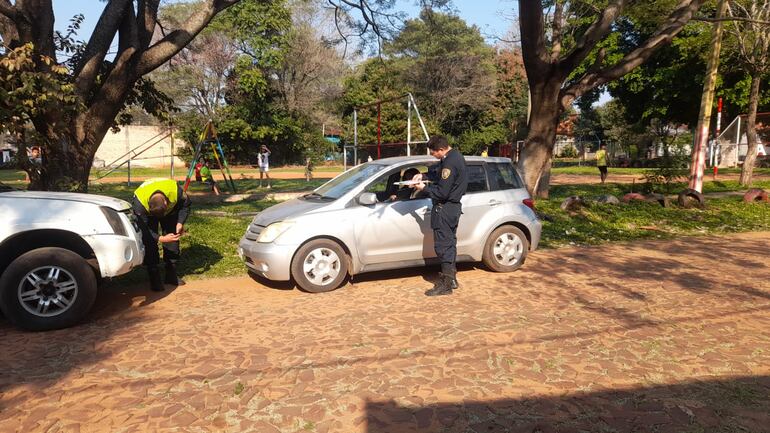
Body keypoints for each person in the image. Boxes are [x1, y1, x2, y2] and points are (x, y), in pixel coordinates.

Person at [413, 135, 468, 296]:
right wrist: (424, 175)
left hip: (444, 209)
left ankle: (446, 285)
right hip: (452, 209)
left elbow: (442, 192)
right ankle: (451, 279)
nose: (432, 155)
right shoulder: (454, 156)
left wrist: (423, 188)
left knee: (443, 247)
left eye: (433, 152)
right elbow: (438, 171)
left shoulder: (449, 163)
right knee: (449, 244)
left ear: (442, 149)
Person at [131, 178, 191, 292]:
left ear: (165, 202)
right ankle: (154, 277)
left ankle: (171, 274)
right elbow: (144, 229)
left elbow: (186, 205)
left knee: (173, 235)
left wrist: (180, 222)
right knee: (149, 242)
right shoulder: (140, 204)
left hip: (170, 211)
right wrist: (160, 238)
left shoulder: (175, 191)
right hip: (148, 214)